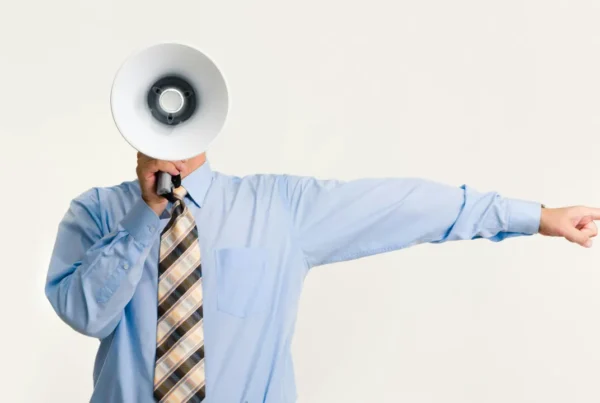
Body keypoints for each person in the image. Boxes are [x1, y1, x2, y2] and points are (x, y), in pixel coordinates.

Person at [45, 152, 600, 403]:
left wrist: (533, 217)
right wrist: (146, 216)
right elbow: (84, 314)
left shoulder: (279, 207)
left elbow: (401, 206)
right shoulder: (96, 213)